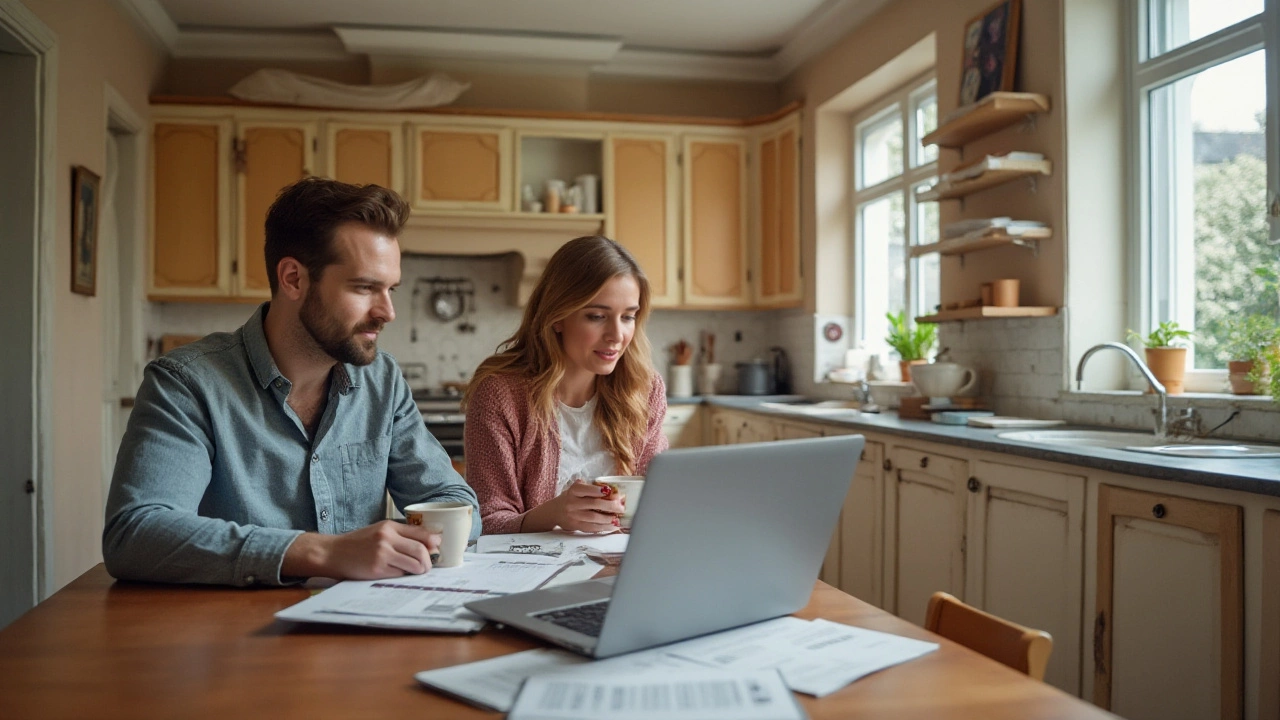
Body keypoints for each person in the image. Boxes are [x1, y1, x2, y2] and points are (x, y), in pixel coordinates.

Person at [103, 178, 479, 587]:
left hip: (362, 631)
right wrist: (324, 553)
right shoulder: (187, 384)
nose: (387, 311)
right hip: (232, 635)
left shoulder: (382, 381)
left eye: (390, 289)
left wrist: (406, 541)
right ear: (294, 279)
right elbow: (135, 534)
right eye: (364, 287)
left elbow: (460, 506)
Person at [463, 235, 668, 534]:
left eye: (628, 317)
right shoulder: (501, 395)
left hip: (622, 566)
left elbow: (659, 502)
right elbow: (487, 522)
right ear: (557, 316)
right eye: (597, 316)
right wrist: (553, 514)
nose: (616, 335)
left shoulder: (645, 390)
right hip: (532, 574)